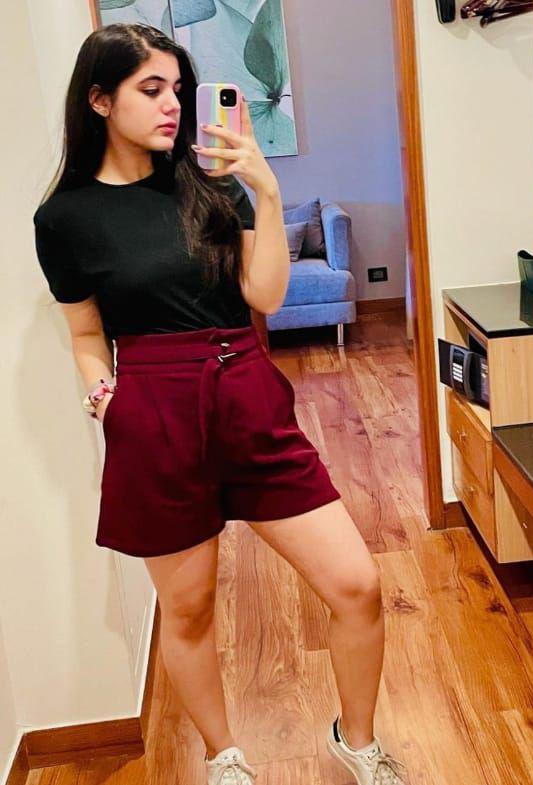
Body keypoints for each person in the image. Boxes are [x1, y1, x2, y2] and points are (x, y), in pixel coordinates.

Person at [32, 22, 408, 785]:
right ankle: (224, 756)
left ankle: (357, 741)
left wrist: (264, 188)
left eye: (178, 88)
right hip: (154, 411)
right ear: (99, 100)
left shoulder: (211, 183)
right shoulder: (65, 219)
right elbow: (85, 330)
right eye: (151, 89)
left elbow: (264, 294)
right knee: (191, 608)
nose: (173, 104)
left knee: (357, 585)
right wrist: (105, 399)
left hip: (246, 393)